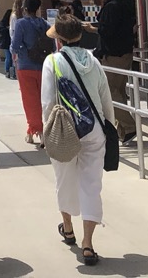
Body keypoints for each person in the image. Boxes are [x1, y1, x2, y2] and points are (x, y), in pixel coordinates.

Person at [42, 14, 115, 267]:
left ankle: (69, 228)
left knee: (64, 179)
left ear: (59, 40)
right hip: (94, 129)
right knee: (91, 184)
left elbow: (48, 101)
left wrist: (46, 131)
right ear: (80, 36)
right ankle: (88, 243)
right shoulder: (94, 61)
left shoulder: (52, 61)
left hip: (65, 130)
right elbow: (105, 97)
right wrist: (109, 126)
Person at [92, 0, 136, 145]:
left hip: (114, 55)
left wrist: (92, 29)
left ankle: (129, 126)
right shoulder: (124, 5)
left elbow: (107, 31)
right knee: (118, 91)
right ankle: (123, 130)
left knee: (109, 91)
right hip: (123, 53)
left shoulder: (112, 7)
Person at [12, 0, 49, 145]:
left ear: (25, 9)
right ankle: (37, 128)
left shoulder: (21, 24)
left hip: (25, 66)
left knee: (30, 100)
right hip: (43, 66)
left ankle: (37, 129)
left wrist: (21, 54)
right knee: (43, 99)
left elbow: (15, 45)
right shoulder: (45, 24)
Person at [0, 6, 14, 78]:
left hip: (9, 41)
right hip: (7, 42)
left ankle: (10, 72)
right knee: (9, 57)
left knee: (11, 57)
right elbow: (1, 29)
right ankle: (7, 71)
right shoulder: (3, 23)